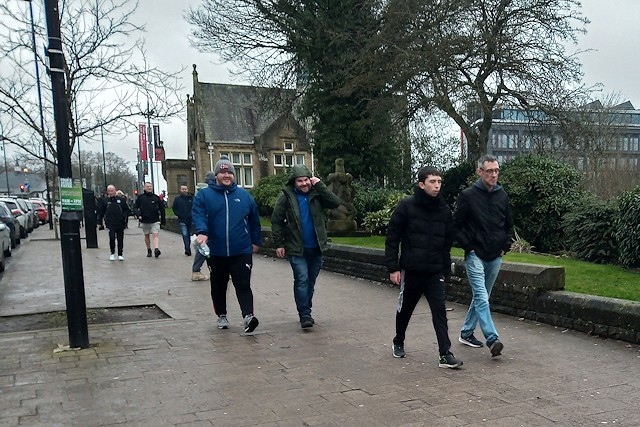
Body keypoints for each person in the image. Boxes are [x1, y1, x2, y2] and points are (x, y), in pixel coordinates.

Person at [385, 166, 462, 369]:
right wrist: (393, 268)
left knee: (439, 312)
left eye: (439, 182)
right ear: (421, 184)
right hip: (412, 270)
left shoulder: (444, 210)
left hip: (434, 271)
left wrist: (445, 270)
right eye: (432, 182)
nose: (437, 186)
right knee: (406, 310)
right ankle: (398, 340)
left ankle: (445, 354)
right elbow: (392, 238)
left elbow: (447, 242)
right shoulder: (406, 206)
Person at [192, 156, 262, 332]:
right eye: (223, 172)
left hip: (241, 249)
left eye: (229, 172)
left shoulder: (244, 196)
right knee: (218, 285)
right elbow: (199, 215)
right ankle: (221, 315)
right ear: (216, 175)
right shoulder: (204, 195)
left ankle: (248, 317)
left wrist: (256, 241)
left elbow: (254, 221)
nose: (226, 175)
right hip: (216, 251)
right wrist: (202, 232)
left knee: (243, 283)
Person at [454, 154, 513, 357]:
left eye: (496, 170)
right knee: (481, 296)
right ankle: (492, 338)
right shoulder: (467, 196)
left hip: (495, 255)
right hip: (475, 255)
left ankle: (466, 332)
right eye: (489, 171)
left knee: (483, 297)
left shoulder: (502, 195)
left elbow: (508, 225)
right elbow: (456, 226)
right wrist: (469, 247)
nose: (494, 174)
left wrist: (505, 246)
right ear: (480, 172)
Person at [271, 165, 341, 329]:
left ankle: (306, 308)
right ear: (294, 182)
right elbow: (276, 221)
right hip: (297, 248)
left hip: (316, 247)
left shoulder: (317, 194)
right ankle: (305, 314)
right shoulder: (286, 197)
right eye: (300, 181)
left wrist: (320, 185)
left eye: (306, 180)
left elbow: (335, 202)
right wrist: (279, 243)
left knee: (310, 281)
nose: (303, 184)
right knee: (302, 279)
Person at [97, 184, 131, 261]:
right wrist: (100, 222)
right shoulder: (104, 201)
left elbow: (127, 210)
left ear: (115, 191)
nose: (111, 192)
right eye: (109, 191)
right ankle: (112, 253)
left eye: (112, 191)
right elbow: (101, 212)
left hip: (120, 222)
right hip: (110, 223)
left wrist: (124, 216)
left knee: (120, 239)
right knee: (112, 238)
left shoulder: (121, 200)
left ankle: (120, 254)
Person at [134, 182, 166, 258]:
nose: (149, 188)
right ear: (144, 188)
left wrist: (163, 220)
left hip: (155, 220)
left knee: (155, 234)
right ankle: (149, 249)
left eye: (150, 186)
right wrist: (138, 215)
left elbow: (162, 209)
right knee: (147, 235)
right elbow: (135, 207)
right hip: (145, 220)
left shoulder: (156, 198)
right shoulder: (141, 198)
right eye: (147, 186)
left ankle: (156, 249)